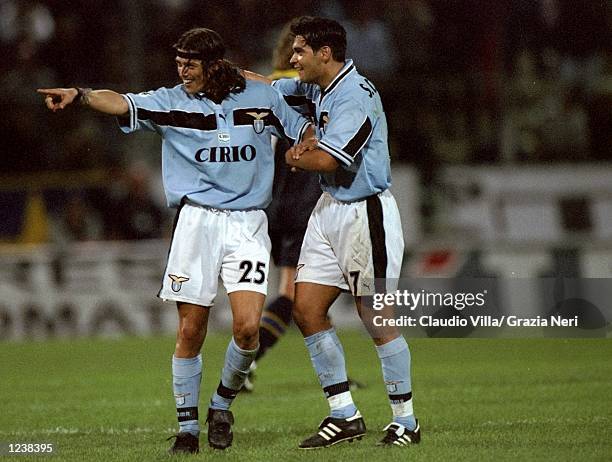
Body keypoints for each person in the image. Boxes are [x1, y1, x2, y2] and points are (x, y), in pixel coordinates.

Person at [37, 27, 312, 454]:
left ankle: (221, 403)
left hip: (247, 226)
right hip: (196, 224)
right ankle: (187, 428)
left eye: (190, 63)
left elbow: (303, 130)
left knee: (246, 330)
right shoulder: (171, 102)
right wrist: (81, 94)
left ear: (214, 64)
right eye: (179, 62)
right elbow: (122, 101)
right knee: (190, 329)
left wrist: (306, 151)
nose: (182, 70)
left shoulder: (262, 99)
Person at [272, 16, 421, 448]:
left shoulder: (354, 96)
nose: (292, 58)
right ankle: (344, 414)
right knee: (306, 308)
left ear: (324, 54)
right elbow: (270, 85)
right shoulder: (320, 86)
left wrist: (296, 157)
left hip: (364, 212)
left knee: (375, 317)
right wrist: (229, 77)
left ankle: (406, 421)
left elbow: (330, 161)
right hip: (329, 208)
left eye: (299, 51)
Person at [245, 21, 364, 393]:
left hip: (275, 200)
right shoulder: (312, 87)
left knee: (303, 294)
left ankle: (336, 378)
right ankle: (246, 363)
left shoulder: (267, 84)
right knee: (301, 294)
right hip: (304, 199)